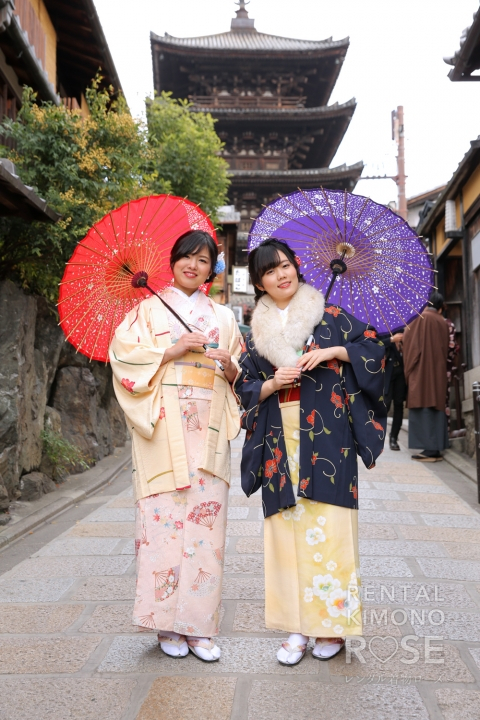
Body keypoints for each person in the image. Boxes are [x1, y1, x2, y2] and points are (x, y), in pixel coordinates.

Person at [234, 239, 386, 665]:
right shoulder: (257, 330)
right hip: (279, 435)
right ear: (259, 282)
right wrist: (272, 384)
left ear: (296, 268)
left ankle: (331, 629)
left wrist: (334, 351)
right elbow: (244, 387)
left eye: (286, 265)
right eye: (270, 271)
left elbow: (376, 348)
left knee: (330, 527)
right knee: (286, 531)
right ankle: (296, 628)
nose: (282, 274)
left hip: (328, 435)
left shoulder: (330, 314)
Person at [109, 230, 243, 662]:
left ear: (213, 269)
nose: (194, 265)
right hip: (163, 423)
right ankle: (166, 623)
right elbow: (123, 358)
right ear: (173, 261)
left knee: (208, 529)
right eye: (187, 257)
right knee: (162, 526)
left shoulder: (223, 317)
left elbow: (240, 374)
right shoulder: (145, 311)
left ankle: (200, 627)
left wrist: (231, 365)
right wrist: (170, 349)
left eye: (203, 260)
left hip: (209, 424)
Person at [402, 291, 450, 462]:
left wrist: (408, 369)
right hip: (437, 373)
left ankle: (429, 450)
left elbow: (411, 344)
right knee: (435, 408)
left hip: (422, 372)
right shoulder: (441, 321)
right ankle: (436, 448)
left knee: (422, 406)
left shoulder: (421, 318)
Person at [381, 330, 406, 451]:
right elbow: (375, 344)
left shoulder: (405, 330)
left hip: (402, 372)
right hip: (388, 371)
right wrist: (391, 340)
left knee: (399, 404)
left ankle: (394, 438)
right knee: (385, 403)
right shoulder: (384, 329)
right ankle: (377, 435)